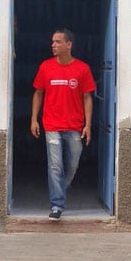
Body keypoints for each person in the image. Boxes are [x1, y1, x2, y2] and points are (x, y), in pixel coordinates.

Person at [30, 28, 96, 221]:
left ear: (69, 44)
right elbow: (38, 93)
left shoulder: (82, 69)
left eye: (58, 42)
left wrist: (88, 125)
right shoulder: (45, 67)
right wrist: (34, 119)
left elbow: (87, 97)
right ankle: (57, 204)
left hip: (75, 125)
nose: (53, 45)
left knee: (73, 164)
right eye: (52, 42)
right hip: (51, 124)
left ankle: (61, 189)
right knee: (55, 166)